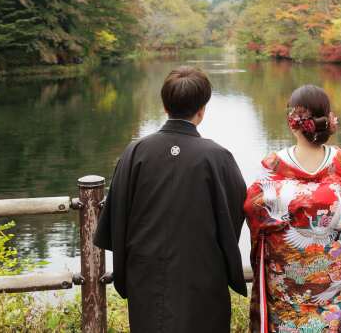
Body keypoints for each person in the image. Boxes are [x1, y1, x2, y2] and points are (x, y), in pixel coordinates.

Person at [93, 66, 247, 333]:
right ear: (202, 109)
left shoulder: (137, 151)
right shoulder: (217, 157)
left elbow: (116, 214)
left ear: (165, 106)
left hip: (147, 276)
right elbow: (234, 214)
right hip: (201, 274)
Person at [244, 85, 341, 333]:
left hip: (287, 282)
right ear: (328, 121)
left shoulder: (275, 164)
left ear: (293, 123)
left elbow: (254, 212)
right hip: (334, 281)